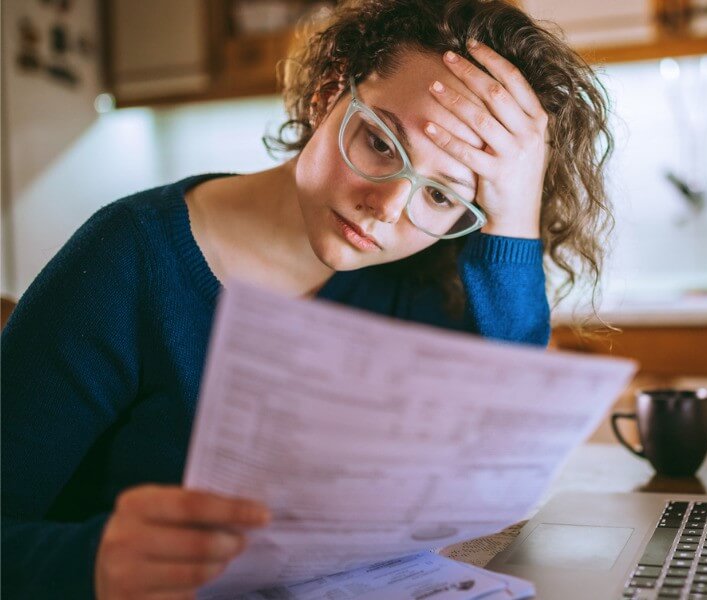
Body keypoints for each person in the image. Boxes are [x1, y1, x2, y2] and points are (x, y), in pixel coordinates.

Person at [1, 0, 614, 597]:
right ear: (327, 95)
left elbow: (504, 447)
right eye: (379, 142)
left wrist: (512, 221)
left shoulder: (423, 279)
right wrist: (91, 563)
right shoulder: (129, 257)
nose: (386, 209)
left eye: (439, 196)